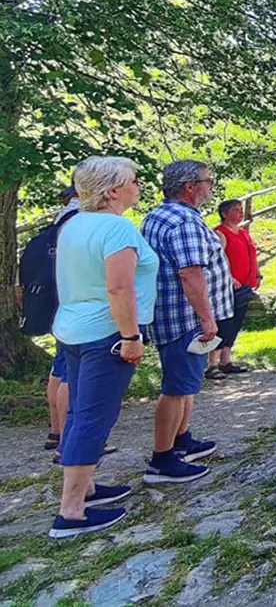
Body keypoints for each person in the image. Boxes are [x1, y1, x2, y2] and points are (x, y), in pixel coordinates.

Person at [49, 157, 155, 538]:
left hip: (72, 329)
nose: (138, 186)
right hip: (105, 334)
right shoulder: (116, 229)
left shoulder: (74, 224)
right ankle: (71, 511)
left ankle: (87, 489)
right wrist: (130, 336)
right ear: (113, 191)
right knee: (95, 416)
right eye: (133, 180)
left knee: (79, 410)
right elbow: (119, 287)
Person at [140, 160, 233, 484]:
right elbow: (190, 272)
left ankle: (181, 439)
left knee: (186, 385)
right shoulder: (184, 221)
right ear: (191, 186)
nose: (211, 187)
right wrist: (207, 318)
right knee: (177, 389)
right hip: (185, 318)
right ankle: (162, 459)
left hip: (170, 314)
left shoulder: (158, 214)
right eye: (208, 181)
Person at [44, 184, 79, 453]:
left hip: (58, 301)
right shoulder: (79, 219)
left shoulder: (59, 220)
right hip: (74, 300)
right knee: (69, 373)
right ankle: (68, 439)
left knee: (59, 368)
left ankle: (56, 432)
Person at [210, 199, 261, 379]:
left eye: (241, 210)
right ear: (225, 213)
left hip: (245, 285)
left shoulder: (244, 233)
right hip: (227, 286)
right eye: (235, 210)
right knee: (224, 322)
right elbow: (216, 259)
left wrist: (258, 274)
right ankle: (212, 363)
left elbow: (252, 254)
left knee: (236, 322)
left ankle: (226, 360)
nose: (240, 213)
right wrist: (229, 278)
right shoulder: (220, 233)